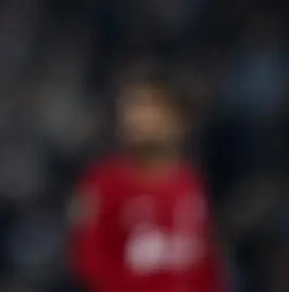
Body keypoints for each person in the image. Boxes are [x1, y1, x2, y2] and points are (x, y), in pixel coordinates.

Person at [70, 70, 226, 292]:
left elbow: (207, 262)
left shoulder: (193, 184)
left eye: (151, 107)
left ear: (179, 120)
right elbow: (91, 263)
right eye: (133, 108)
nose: (139, 118)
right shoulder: (104, 184)